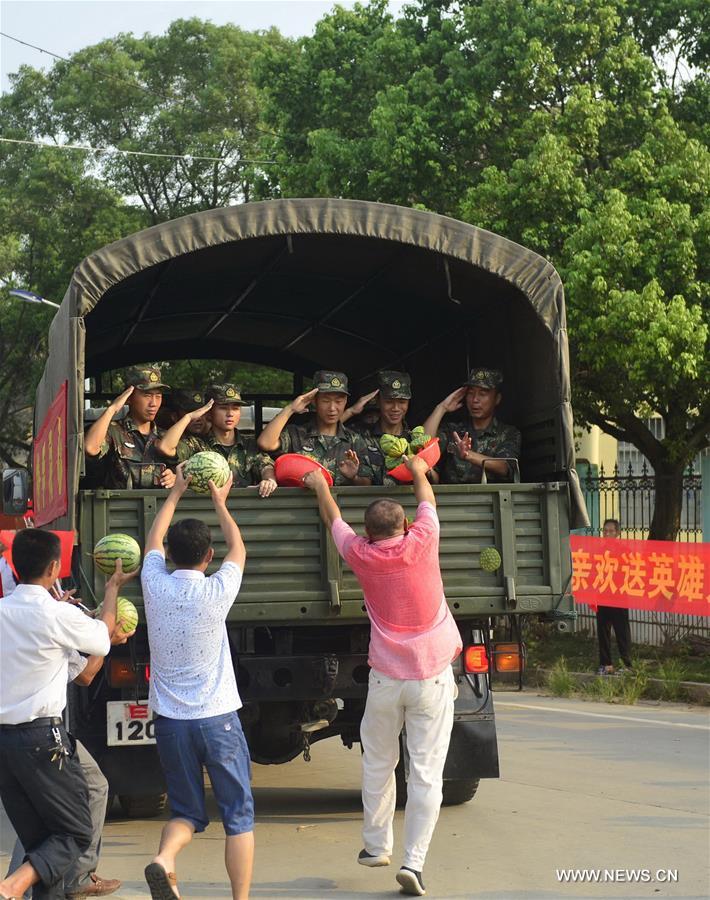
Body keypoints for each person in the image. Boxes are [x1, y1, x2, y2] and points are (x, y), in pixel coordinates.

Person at [303, 455, 462, 897]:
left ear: (369, 533)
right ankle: (414, 863)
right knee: (427, 772)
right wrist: (414, 472)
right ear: (406, 524)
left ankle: (376, 846)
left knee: (378, 761)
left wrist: (320, 485)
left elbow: (334, 519)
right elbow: (427, 498)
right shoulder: (423, 541)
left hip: (386, 678)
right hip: (431, 676)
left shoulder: (361, 555)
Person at [0, 531, 134, 900]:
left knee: (41, 840)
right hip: (42, 740)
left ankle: (36, 885)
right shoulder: (53, 613)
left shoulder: (5, 611)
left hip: (5, 743)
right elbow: (102, 639)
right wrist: (112, 589)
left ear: (14, 566)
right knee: (75, 832)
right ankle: (13, 885)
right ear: (55, 567)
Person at [141, 464, 253, 900]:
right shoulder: (216, 590)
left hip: (171, 722)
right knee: (238, 816)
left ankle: (165, 860)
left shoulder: (154, 584)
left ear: (169, 555)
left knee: (186, 810)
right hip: (218, 720)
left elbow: (152, 538)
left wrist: (174, 494)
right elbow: (239, 549)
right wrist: (220, 504)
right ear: (208, 558)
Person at [155, 384, 277, 498]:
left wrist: (269, 480)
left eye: (235, 408)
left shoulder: (249, 444)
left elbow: (265, 465)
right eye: (223, 408)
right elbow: (165, 447)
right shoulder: (196, 444)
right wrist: (188, 417)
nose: (230, 414)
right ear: (209, 412)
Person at [257, 371, 374, 486]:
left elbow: (367, 482)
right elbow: (265, 443)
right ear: (314, 401)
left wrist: (354, 477)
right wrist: (290, 409)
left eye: (338, 401)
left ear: (345, 402)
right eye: (325, 401)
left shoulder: (355, 440)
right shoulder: (296, 434)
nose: (332, 408)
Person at [84, 366, 176, 490]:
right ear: (129, 398)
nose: (153, 403)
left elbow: (184, 472)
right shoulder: (114, 431)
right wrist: (112, 409)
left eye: (158, 396)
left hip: (161, 507)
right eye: (147, 395)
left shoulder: (166, 437)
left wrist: (174, 477)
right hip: (119, 507)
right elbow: (90, 448)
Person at [423, 368, 521, 484]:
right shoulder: (453, 431)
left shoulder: (508, 433)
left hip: (492, 499)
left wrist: (468, 455)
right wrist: (442, 408)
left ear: (497, 399)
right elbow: (423, 444)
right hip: (451, 499)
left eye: (482, 394)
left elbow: (504, 467)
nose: (475, 400)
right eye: (470, 393)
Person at [344, 371, 439, 485]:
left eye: (402, 402)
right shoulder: (359, 434)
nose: (396, 408)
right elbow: (329, 430)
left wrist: (426, 469)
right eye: (389, 402)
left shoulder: (415, 439)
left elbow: (436, 480)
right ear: (378, 401)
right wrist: (350, 411)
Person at [596, 518, 633, 675]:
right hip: (603, 597)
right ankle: (606, 664)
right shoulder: (599, 551)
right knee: (603, 632)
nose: (607, 533)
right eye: (605, 531)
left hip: (619, 597)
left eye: (611, 531)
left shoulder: (625, 551)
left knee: (621, 632)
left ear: (618, 533)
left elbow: (630, 572)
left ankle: (627, 665)